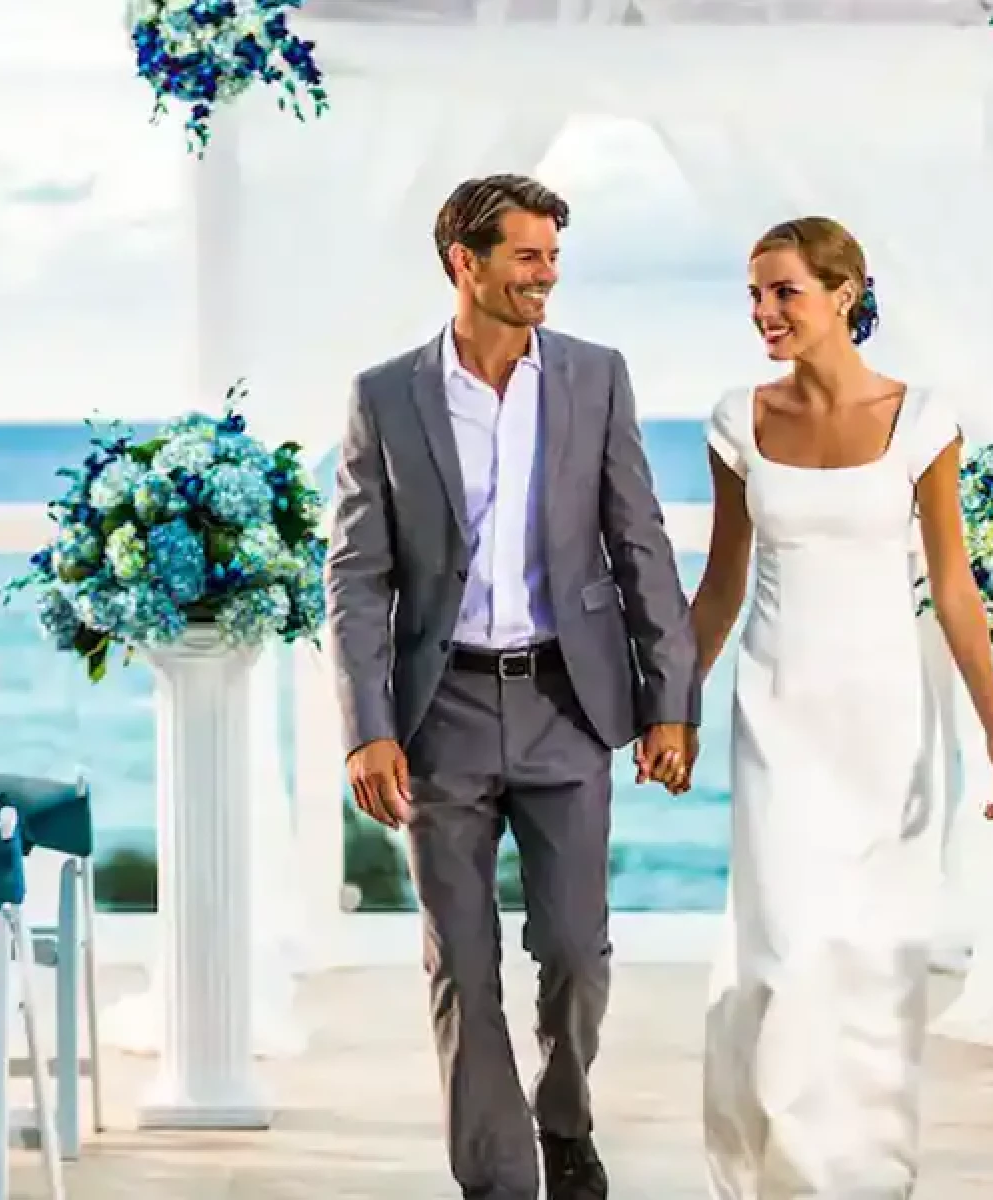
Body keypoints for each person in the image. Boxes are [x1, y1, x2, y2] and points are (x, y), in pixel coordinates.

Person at [323, 173, 700, 1200]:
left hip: (565, 702)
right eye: (527, 256)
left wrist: (669, 698)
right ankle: (497, 1181)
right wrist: (366, 726)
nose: (547, 276)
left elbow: (639, 542)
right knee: (462, 964)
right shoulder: (386, 395)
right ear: (465, 263)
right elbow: (357, 575)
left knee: (575, 947)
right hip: (436, 711)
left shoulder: (593, 377)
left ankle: (565, 1116)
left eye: (552, 256)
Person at [691, 216, 993, 1198]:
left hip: (885, 718)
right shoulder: (736, 419)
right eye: (753, 294)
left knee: (873, 963)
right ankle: (781, 1172)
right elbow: (718, 583)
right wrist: (668, 706)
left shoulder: (922, 420)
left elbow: (954, 587)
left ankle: (867, 1178)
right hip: (776, 710)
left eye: (783, 291)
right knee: (782, 952)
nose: (763, 313)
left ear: (844, 293)